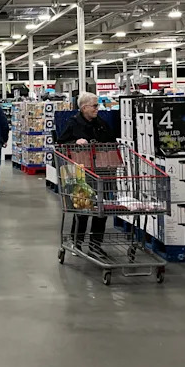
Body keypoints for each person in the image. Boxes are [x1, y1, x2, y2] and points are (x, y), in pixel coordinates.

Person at [57, 91, 115, 254]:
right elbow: (61, 143)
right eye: (95, 106)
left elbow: (112, 141)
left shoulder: (101, 123)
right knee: (82, 209)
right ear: (84, 107)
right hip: (81, 173)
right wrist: (75, 142)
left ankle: (96, 244)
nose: (98, 108)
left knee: (100, 210)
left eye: (98, 105)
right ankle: (77, 241)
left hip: (102, 170)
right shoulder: (73, 123)